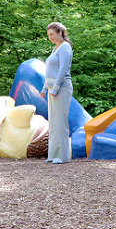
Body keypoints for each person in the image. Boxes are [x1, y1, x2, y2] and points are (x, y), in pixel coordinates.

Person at [40, 22, 73, 163]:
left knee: (60, 122)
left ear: (60, 33)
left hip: (62, 89)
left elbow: (62, 70)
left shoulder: (65, 47)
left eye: (52, 34)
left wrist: (55, 88)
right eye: (48, 35)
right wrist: (44, 89)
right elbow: (50, 71)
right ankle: (53, 155)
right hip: (51, 89)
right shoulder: (55, 49)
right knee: (53, 122)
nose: (50, 37)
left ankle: (62, 156)